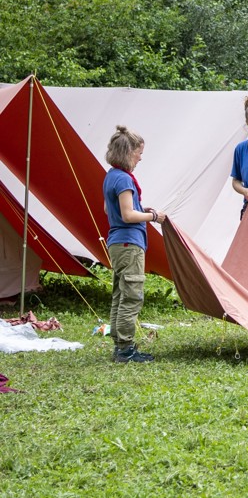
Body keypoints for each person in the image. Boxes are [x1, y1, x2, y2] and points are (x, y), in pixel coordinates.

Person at [103, 125, 166, 363]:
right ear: (128, 153)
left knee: (120, 294)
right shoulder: (124, 180)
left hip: (117, 244)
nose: (140, 158)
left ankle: (120, 345)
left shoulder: (111, 176)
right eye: (139, 153)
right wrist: (153, 216)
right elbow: (128, 215)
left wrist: (140, 208)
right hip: (129, 243)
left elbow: (108, 209)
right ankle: (125, 349)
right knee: (131, 296)